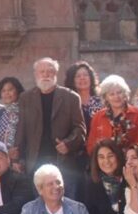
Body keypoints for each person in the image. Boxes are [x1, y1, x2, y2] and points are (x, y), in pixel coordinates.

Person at [15, 58, 86, 194]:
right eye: (42, 72)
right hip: (34, 161)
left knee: (67, 205)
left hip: (63, 162)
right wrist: (17, 159)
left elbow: (80, 129)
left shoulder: (71, 97)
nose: (46, 75)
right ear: (36, 74)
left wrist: (68, 144)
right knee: (39, 205)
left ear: (56, 74)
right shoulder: (26, 98)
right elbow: (21, 130)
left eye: (50, 71)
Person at [85, 74, 138, 155]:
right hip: (104, 163)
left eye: (119, 92)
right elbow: (91, 145)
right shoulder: (98, 117)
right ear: (106, 97)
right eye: (111, 94)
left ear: (125, 94)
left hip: (130, 163)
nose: (116, 97)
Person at [0, 77, 25, 172]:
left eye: (10, 90)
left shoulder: (25, 113)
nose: (6, 93)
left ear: (17, 91)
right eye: (3, 91)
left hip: (22, 164)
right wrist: (5, 153)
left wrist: (19, 159)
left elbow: (31, 140)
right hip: (0, 164)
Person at [65, 61, 102, 129]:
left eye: (85, 75)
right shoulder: (68, 103)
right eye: (78, 76)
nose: (82, 78)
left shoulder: (100, 101)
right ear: (72, 81)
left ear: (91, 78)